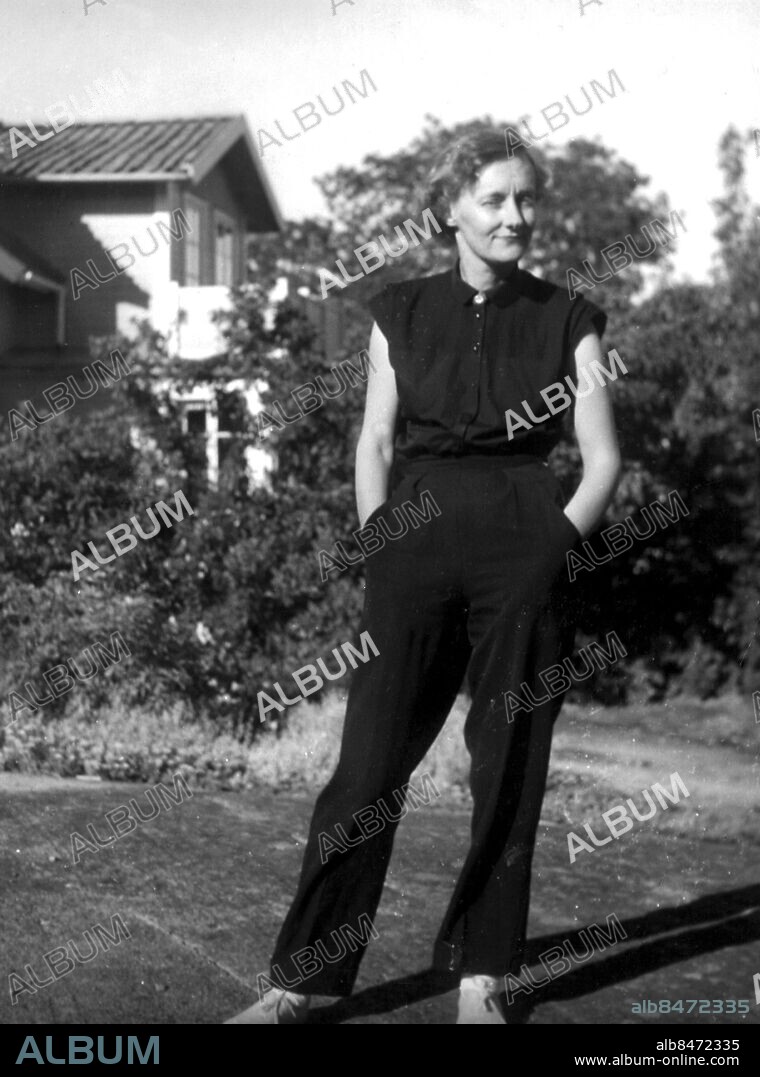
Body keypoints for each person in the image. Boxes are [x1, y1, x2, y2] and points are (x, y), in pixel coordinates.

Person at [226, 129, 622, 1025]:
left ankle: (485, 971)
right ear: (451, 208)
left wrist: (549, 548)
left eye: (528, 200)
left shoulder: (571, 316)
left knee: (510, 766)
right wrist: (379, 542)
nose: (517, 217)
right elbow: (374, 438)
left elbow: (601, 462)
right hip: (414, 540)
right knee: (366, 766)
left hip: (526, 539)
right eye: (496, 199)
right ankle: (304, 980)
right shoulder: (396, 310)